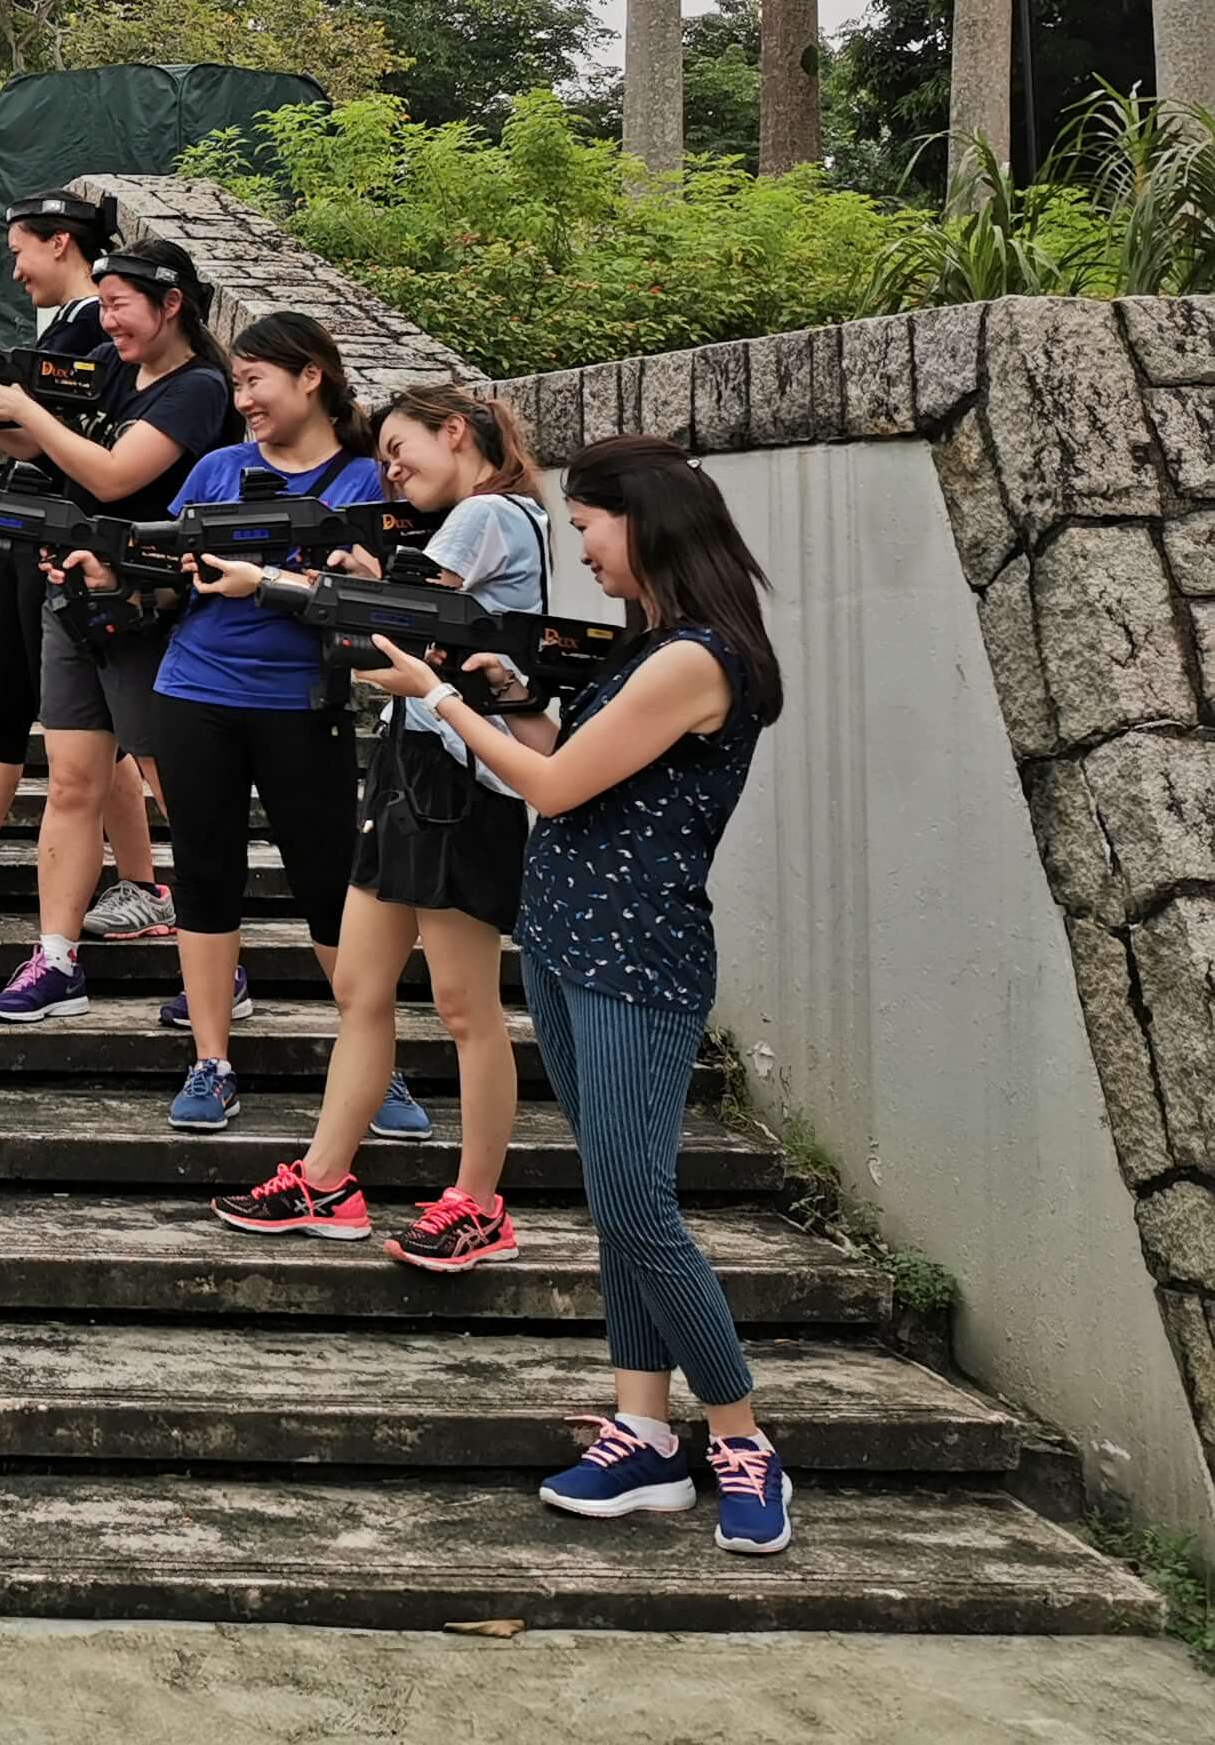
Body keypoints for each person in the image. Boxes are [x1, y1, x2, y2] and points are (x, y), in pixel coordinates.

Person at [353, 433, 796, 1554]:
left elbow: (550, 788)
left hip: (636, 957)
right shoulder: (648, 647)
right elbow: (569, 761)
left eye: (591, 527)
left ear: (644, 522)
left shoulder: (695, 658)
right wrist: (500, 694)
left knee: (641, 1206)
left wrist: (435, 697)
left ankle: (740, 1438)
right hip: (565, 938)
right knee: (613, 1199)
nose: (582, 549)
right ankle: (643, 1429)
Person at [207, 383, 545, 1267]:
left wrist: (266, 581)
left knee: (465, 1009)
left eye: (401, 451)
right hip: (415, 765)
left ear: (455, 431)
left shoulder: (486, 514)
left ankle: (480, 1205)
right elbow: (405, 610)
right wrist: (359, 579)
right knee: (360, 988)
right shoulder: (480, 523)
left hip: (456, 777)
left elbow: (395, 622)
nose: (390, 471)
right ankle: (326, 1181)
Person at [112, 312, 408, 1136]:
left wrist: (286, 581)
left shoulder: (365, 481)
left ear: (311, 376)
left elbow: (382, 602)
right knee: (206, 875)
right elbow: (166, 577)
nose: (242, 399)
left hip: (304, 703)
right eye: (236, 382)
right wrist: (116, 573)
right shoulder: (217, 468)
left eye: (254, 381)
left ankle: (373, 1062)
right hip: (195, 692)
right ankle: (210, 1060)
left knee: (329, 883)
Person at [0, 238, 239, 1027]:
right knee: (73, 783)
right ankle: (55, 958)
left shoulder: (198, 387)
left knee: (176, 789)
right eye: (105, 304)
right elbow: (43, 449)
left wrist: (28, 408)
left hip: (151, 612)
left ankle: (220, 964)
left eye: (119, 306)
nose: (107, 321)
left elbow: (114, 475)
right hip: (75, 598)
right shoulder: (116, 368)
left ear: (171, 305)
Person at [0, 189, 169, 932]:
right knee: (6, 705)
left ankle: (143, 884)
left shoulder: (100, 338)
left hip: (69, 541)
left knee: (88, 732)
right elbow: (30, 442)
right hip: (24, 526)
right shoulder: (66, 329)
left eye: (21, 251)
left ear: (61, 243)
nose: (14, 270)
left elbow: (73, 450)